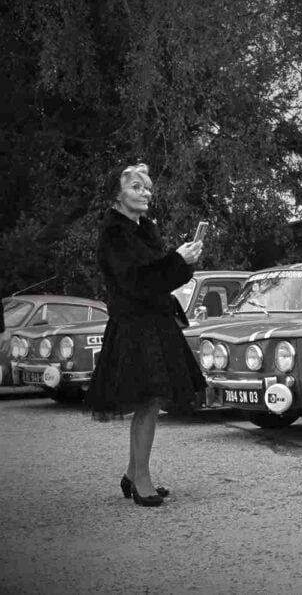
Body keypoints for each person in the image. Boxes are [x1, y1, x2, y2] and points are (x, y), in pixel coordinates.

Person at [86, 163, 205, 507]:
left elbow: (158, 277)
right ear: (118, 194)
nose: (145, 193)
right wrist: (177, 261)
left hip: (154, 324)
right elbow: (137, 282)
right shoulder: (115, 234)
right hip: (135, 326)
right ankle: (141, 480)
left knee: (150, 403)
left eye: (148, 188)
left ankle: (131, 474)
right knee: (148, 402)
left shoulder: (143, 229)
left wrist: (183, 262)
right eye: (137, 187)